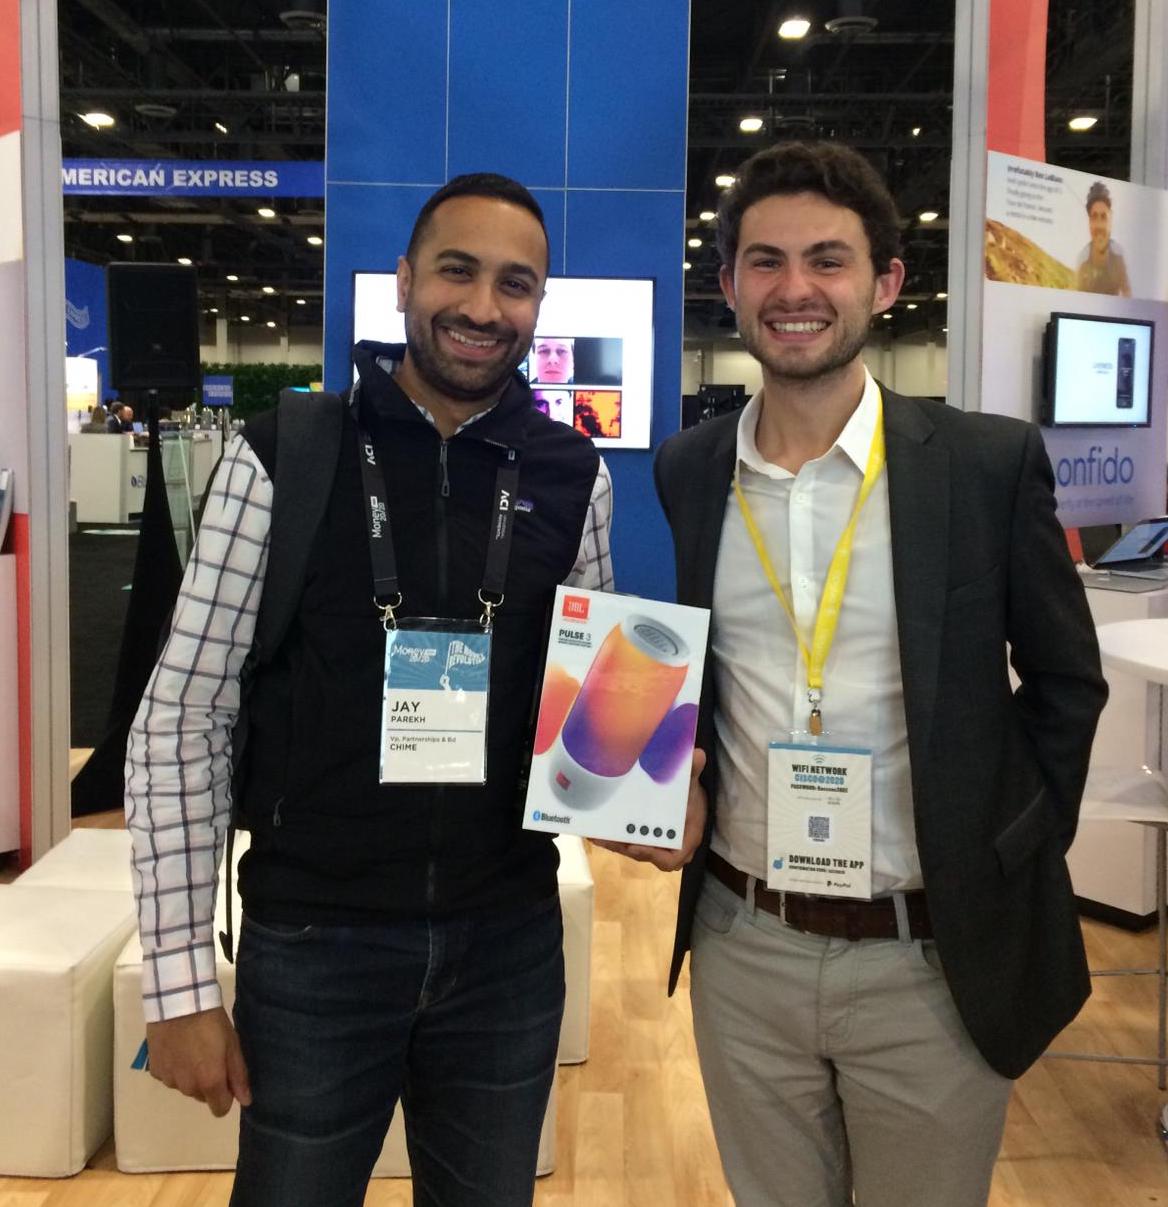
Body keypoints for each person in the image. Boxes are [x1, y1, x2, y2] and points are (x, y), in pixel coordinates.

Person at [125, 172, 615, 1207]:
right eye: (457, 270)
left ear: (538, 304)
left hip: (507, 943)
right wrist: (175, 983)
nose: (484, 307)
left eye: (515, 284)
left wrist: (646, 779)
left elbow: (590, 720)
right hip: (313, 944)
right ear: (402, 282)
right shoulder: (284, 457)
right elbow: (183, 716)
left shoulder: (574, 476)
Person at [649, 141, 1108, 1207]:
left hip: (929, 956)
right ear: (727, 287)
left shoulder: (985, 465)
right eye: (763, 262)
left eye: (827, 260)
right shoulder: (689, 469)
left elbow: (1064, 684)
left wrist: (1007, 851)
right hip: (741, 943)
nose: (794, 289)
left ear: (885, 283)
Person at [1076, 180, 1132, 296]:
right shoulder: (1082, 260)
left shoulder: (1120, 255)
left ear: (1111, 220)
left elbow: (1128, 294)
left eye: (1104, 217)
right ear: (1089, 222)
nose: (1099, 225)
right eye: (1094, 217)